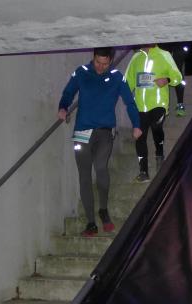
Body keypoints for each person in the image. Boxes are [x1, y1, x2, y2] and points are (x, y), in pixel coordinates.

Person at [58, 47, 142, 237]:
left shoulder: (117, 77)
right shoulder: (82, 72)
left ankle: (103, 209)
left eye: (105, 64)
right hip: (82, 131)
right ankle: (91, 222)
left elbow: (129, 102)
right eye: (98, 62)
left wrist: (136, 125)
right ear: (93, 57)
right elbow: (68, 92)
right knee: (84, 175)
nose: (100, 67)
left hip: (105, 131)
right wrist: (62, 107)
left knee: (101, 167)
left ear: (111, 61)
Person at [126, 44, 184, 182]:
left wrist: (167, 80)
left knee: (156, 127)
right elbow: (127, 82)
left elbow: (177, 76)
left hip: (159, 104)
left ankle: (159, 153)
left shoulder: (164, 55)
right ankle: (143, 171)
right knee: (140, 137)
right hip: (140, 106)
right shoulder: (136, 57)